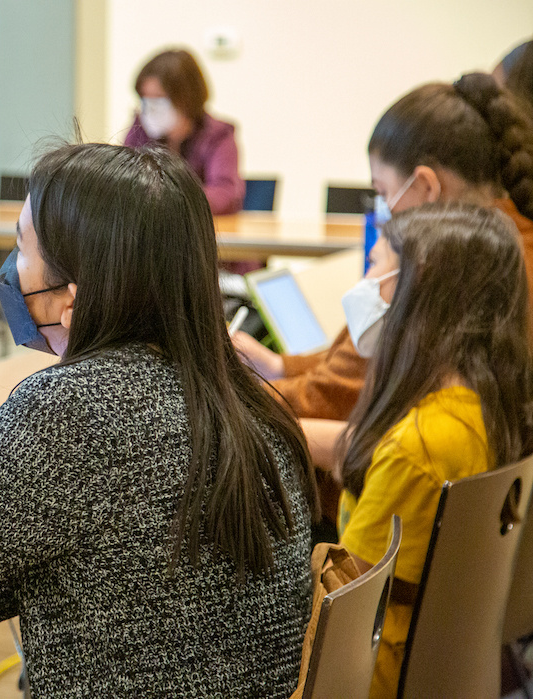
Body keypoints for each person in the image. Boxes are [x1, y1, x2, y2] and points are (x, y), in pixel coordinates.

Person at [0, 143, 318, 697]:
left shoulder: (64, 411)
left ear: (74, 296)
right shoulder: (247, 396)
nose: (11, 269)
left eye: (21, 247)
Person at [305, 204, 533, 697]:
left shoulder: (415, 451)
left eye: (374, 266)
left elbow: (341, 613)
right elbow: (365, 451)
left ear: (417, 291)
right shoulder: (477, 411)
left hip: (374, 679)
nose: (365, 284)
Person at [233, 73, 533, 424]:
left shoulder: (445, 269)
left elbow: (337, 397)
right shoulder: (514, 238)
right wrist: (280, 365)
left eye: (384, 191)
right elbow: (354, 369)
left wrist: (224, 389)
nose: (385, 209)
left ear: (425, 186)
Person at [123, 48, 245, 215]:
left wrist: (165, 198)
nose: (150, 108)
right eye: (145, 98)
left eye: (158, 98)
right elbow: (123, 181)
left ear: (187, 99)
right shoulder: (140, 128)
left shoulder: (217, 134)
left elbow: (226, 195)